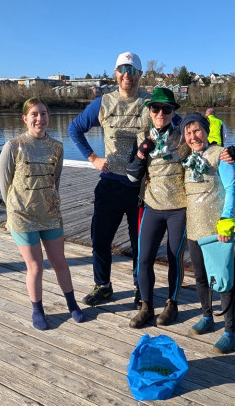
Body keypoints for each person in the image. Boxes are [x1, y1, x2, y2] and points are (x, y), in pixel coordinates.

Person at [67, 51, 150, 308]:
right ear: (116, 73)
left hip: (141, 188)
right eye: (123, 69)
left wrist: (212, 147)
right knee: (100, 239)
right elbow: (74, 129)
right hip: (111, 182)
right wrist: (92, 158)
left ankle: (141, 288)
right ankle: (103, 286)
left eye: (133, 70)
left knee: (140, 244)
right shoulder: (102, 103)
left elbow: (180, 128)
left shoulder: (151, 102)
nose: (128, 74)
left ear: (140, 75)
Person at [0, 98, 85, 330]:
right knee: (35, 267)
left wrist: (51, 203)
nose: (40, 119)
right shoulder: (13, 146)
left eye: (44, 114)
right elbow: (4, 183)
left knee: (60, 262)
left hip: (50, 213)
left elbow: (55, 180)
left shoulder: (57, 146)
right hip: (22, 216)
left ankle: (72, 303)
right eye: (34, 114)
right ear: (25, 118)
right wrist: (14, 212)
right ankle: (37, 309)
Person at [127, 87, 190, 329]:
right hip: (152, 206)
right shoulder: (141, 136)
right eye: (156, 108)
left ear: (173, 111)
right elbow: (132, 177)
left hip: (179, 208)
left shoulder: (183, 137)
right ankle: (146, 306)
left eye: (166, 109)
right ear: (150, 111)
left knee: (175, 259)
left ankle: (172, 304)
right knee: (144, 259)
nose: (161, 113)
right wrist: (142, 154)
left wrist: (225, 153)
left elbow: (205, 151)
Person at [179, 113, 235, 354]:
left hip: (217, 230)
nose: (193, 137)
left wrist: (226, 221)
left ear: (206, 131)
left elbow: (232, 188)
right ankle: (207, 316)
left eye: (197, 131)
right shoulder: (186, 158)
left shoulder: (221, 155)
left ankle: (229, 331)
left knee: (224, 282)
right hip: (194, 228)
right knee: (201, 277)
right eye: (188, 132)